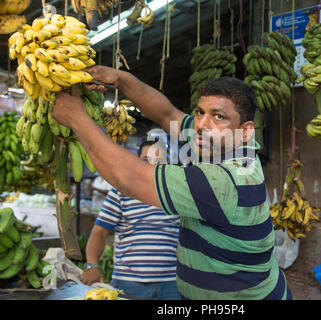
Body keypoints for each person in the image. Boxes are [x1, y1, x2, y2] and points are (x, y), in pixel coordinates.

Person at [53, 66, 292, 300]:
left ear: (246, 130)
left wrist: (77, 119)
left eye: (218, 116)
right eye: (200, 112)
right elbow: (167, 114)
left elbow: (129, 178)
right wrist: (120, 79)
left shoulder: (226, 181)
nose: (201, 125)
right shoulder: (226, 144)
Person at [80, 139, 181, 300]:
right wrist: (92, 265)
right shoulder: (121, 192)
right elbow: (99, 232)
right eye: (145, 160)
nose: (152, 166)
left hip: (172, 284)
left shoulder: (177, 194)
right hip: (129, 283)